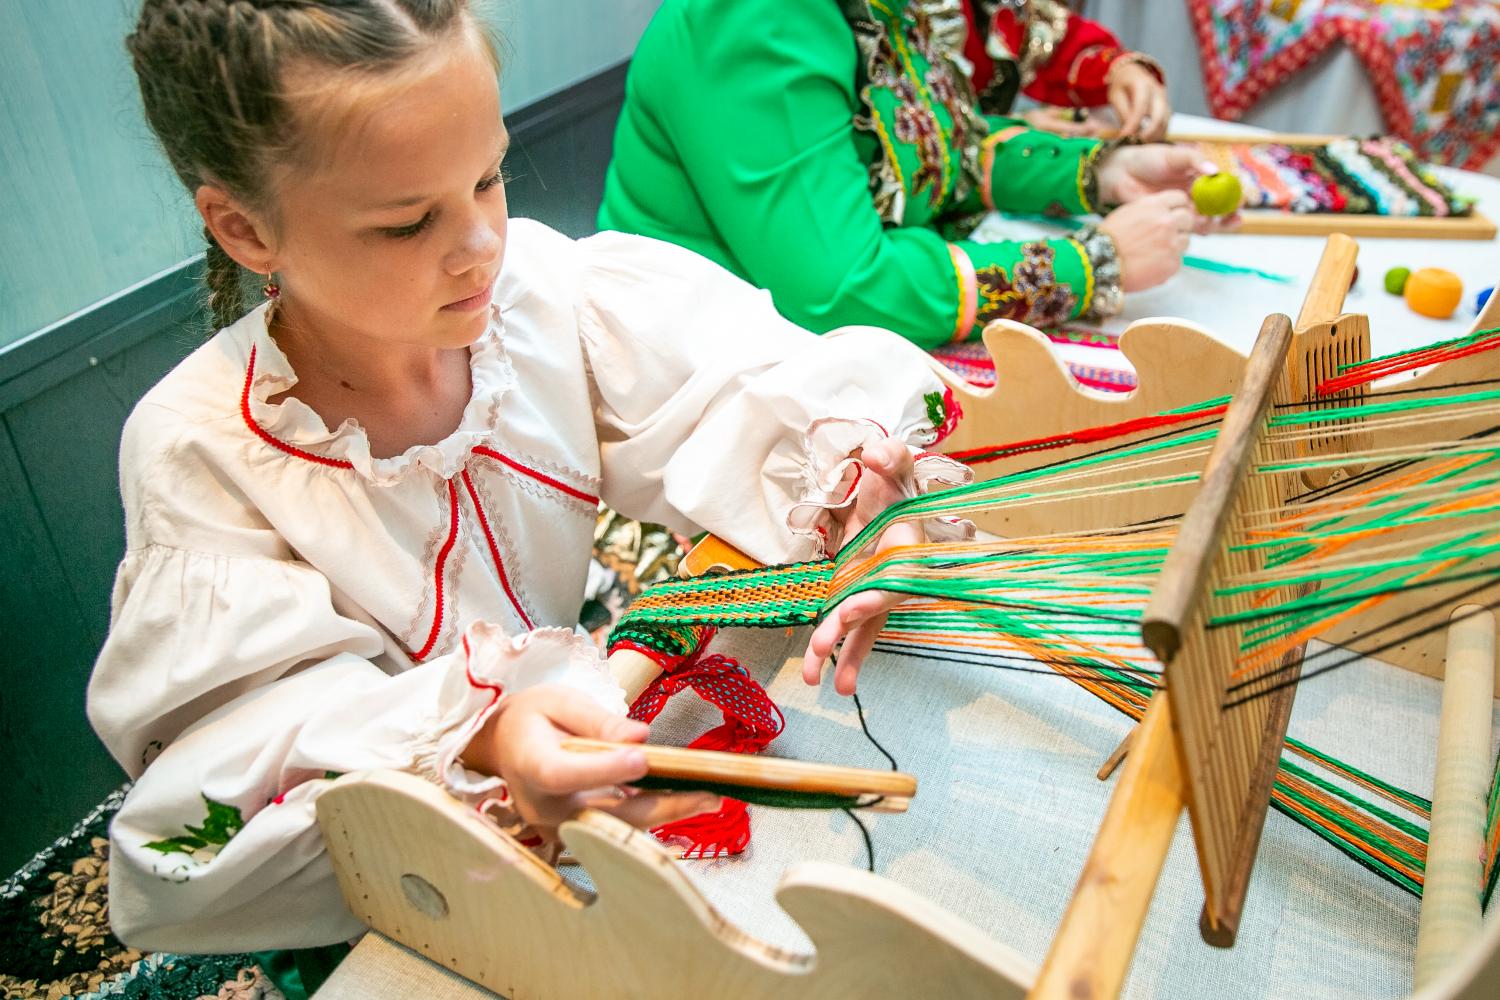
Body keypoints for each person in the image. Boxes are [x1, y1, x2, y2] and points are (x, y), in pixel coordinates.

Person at [88, 0, 973, 964]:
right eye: (409, 222)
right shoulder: (202, 448)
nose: (479, 245)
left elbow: (746, 384)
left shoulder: (537, 299)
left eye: (488, 176)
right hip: (388, 892)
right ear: (245, 229)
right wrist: (476, 740)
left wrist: (868, 487)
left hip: (582, 778)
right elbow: (227, 778)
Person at [598, 0, 1224, 349]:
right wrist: (1092, 264)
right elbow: (840, 289)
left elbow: (941, 153)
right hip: (713, 401)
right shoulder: (754, 17)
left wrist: (1101, 172)